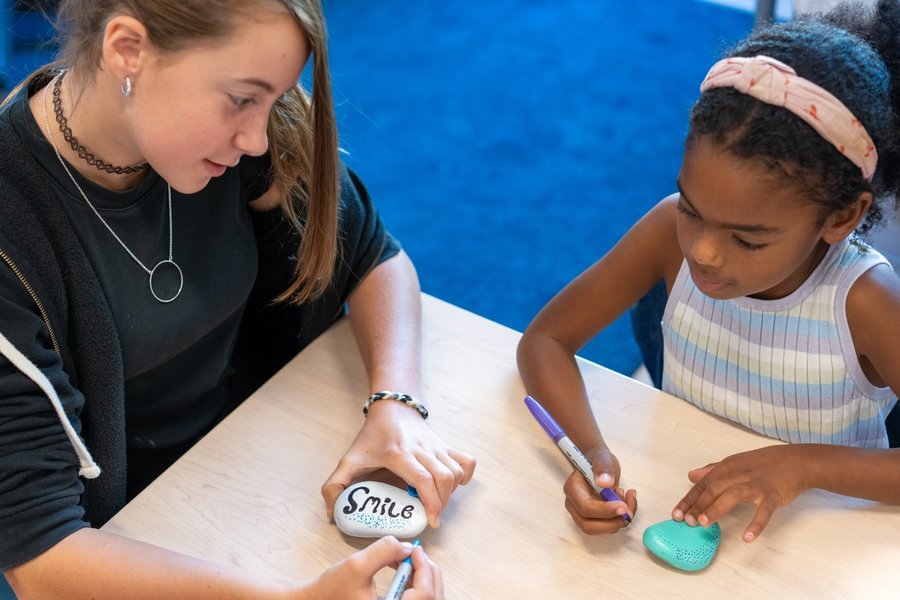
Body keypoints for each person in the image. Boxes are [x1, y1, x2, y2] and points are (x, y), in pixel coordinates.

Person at [0, 0, 475, 597]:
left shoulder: (244, 133)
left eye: (273, 100)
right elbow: (40, 560)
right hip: (129, 536)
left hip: (255, 453)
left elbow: (374, 256)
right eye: (242, 99)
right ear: (127, 49)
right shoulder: (13, 235)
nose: (256, 139)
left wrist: (396, 406)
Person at [516, 0, 900, 543]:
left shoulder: (865, 301)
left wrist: (805, 466)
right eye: (693, 210)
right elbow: (546, 340)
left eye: (747, 239)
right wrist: (590, 456)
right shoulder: (662, 231)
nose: (703, 253)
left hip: (815, 547)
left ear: (842, 218)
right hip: (675, 501)